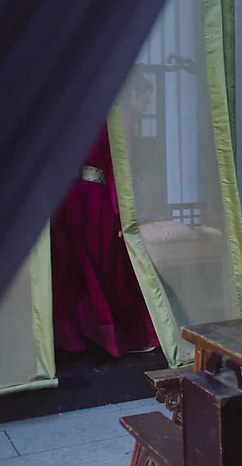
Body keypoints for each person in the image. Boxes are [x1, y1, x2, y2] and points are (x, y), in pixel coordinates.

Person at [51, 73, 159, 358]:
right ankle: (105, 334)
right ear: (131, 96)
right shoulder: (119, 120)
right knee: (103, 265)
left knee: (74, 267)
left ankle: (75, 337)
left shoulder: (76, 117)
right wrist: (123, 212)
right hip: (93, 199)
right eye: (144, 100)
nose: (144, 107)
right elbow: (120, 170)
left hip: (69, 197)